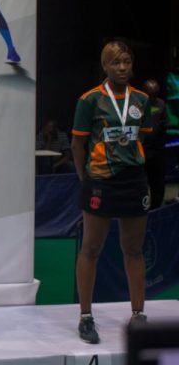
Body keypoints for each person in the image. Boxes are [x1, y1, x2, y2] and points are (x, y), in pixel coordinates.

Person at [71, 40, 152, 344]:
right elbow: (78, 145)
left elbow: (141, 138)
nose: (122, 68)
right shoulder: (89, 100)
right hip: (100, 182)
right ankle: (85, 317)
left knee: (133, 249)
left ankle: (138, 315)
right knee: (91, 248)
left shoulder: (141, 99)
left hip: (133, 181)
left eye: (126, 62)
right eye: (116, 62)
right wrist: (86, 179)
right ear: (104, 66)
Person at [142, 79, 167, 209]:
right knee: (140, 184)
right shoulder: (136, 104)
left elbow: (165, 123)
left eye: (155, 95)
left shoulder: (161, 104)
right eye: (150, 95)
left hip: (157, 151)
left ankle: (156, 209)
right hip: (141, 151)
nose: (153, 98)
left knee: (157, 183)